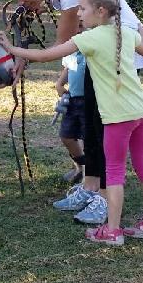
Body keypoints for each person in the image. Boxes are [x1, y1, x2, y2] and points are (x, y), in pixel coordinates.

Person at [0, 0, 143, 246]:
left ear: (100, 10)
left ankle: (112, 231)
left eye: (83, 8)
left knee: (113, 172)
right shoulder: (125, 31)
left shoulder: (89, 39)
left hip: (117, 117)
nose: (77, 13)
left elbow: (46, 55)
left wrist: (13, 49)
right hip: (142, 110)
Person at [54, 51, 86, 189]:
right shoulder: (70, 50)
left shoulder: (93, 46)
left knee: (88, 139)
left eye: (80, 27)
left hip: (90, 101)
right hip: (72, 100)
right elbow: (68, 67)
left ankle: (87, 179)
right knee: (66, 136)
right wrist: (59, 84)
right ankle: (80, 166)